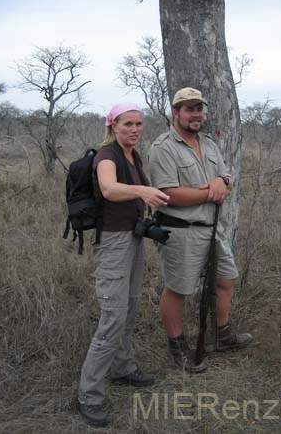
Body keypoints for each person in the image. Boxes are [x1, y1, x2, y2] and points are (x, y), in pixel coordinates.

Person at [148, 87, 253, 373]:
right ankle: (177, 347)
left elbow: (225, 178)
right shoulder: (162, 148)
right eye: (189, 109)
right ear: (176, 112)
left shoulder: (207, 143)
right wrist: (211, 190)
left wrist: (223, 181)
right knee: (178, 289)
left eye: (199, 109)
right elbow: (168, 194)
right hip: (181, 230)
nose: (196, 114)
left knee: (227, 279)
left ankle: (223, 335)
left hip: (212, 227)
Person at [78, 102, 169, 427]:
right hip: (113, 245)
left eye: (139, 124)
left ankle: (122, 368)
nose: (134, 129)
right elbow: (109, 188)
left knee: (129, 310)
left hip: (132, 239)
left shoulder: (134, 156)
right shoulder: (107, 155)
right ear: (113, 126)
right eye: (127, 124)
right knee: (112, 318)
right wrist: (143, 190)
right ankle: (89, 394)